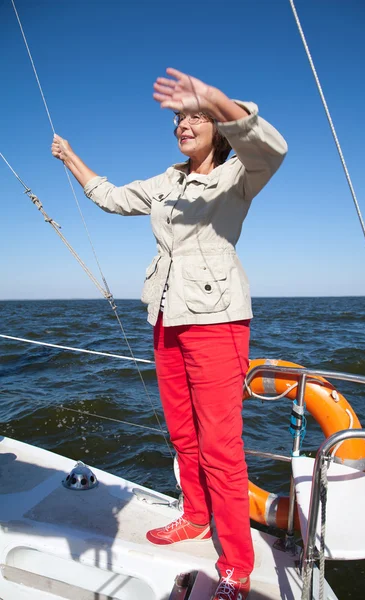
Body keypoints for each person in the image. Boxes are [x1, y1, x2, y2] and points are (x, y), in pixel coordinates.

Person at [51, 68, 287, 600]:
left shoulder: (238, 175)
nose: (184, 123)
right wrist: (70, 159)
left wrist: (213, 98)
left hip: (216, 321)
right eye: (180, 117)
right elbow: (109, 196)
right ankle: (196, 516)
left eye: (196, 117)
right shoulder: (165, 181)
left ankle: (235, 565)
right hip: (164, 317)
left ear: (219, 129)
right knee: (183, 434)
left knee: (220, 448)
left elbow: (272, 147)